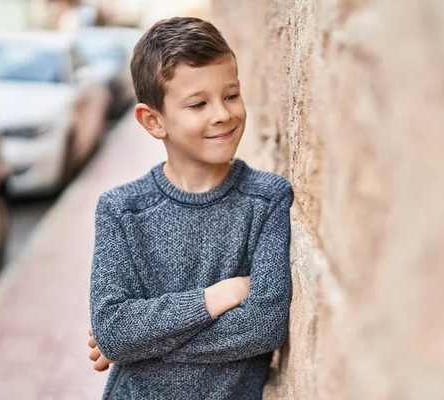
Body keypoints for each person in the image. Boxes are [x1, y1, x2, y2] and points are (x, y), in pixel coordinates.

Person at [87, 16, 293, 400]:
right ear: (153, 120)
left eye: (231, 95)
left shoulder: (268, 199)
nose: (223, 114)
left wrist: (139, 345)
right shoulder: (121, 210)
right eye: (198, 103)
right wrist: (214, 298)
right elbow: (113, 329)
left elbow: (265, 324)